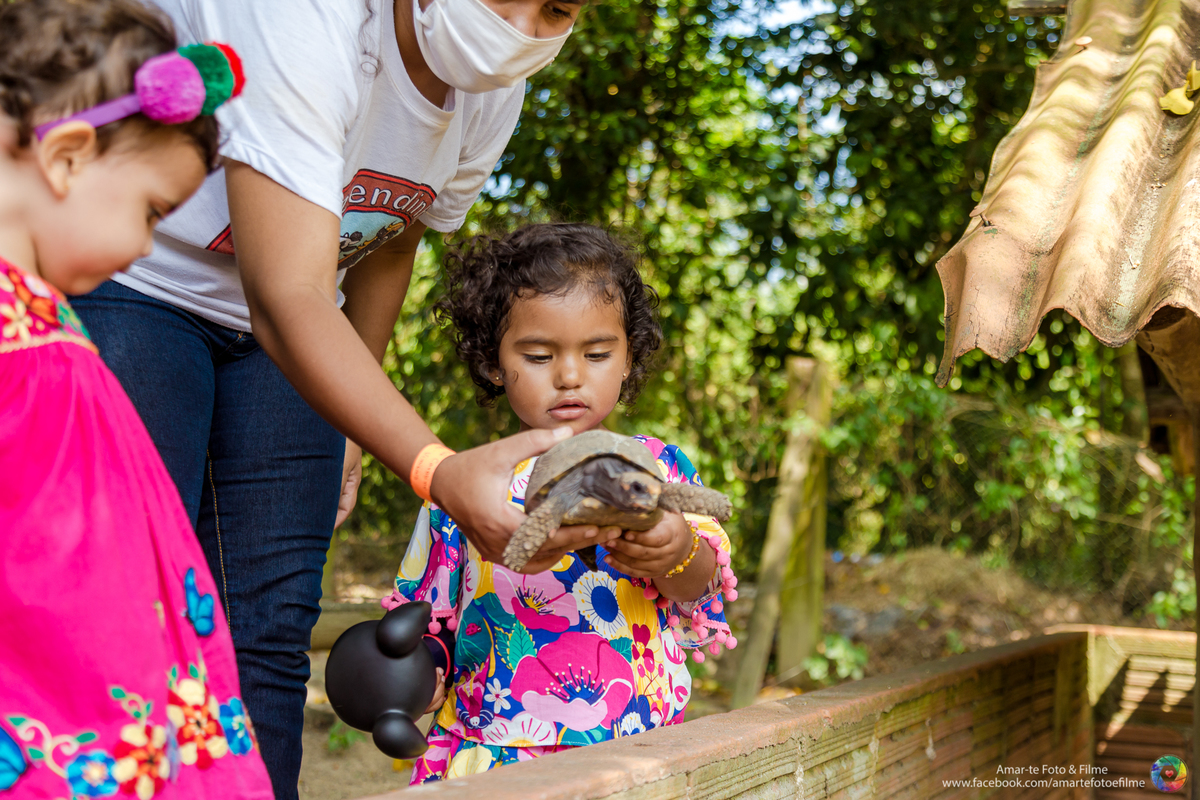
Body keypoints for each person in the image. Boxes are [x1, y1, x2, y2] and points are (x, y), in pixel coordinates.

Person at [68, 0, 609, 795]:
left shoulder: (493, 86)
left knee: (270, 624)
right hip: (134, 278)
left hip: (304, 316)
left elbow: (393, 232)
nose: (522, 29)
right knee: (124, 602)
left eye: (556, 9)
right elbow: (285, 292)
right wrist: (435, 469)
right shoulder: (307, 17)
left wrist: (355, 416)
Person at [0, 2, 274, 797]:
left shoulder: (45, 325)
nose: (146, 246)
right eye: (151, 211)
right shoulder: (24, 346)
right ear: (68, 158)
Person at [384, 223, 740, 782]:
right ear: (494, 362)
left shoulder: (658, 468)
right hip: (495, 758)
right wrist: (422, 671)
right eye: (538, 355)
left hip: (640, 751)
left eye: (597, 353)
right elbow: (429, 623)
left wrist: (675, 550)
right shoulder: (464, 485)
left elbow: (702, 588)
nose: (570, 376)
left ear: (628, 358)